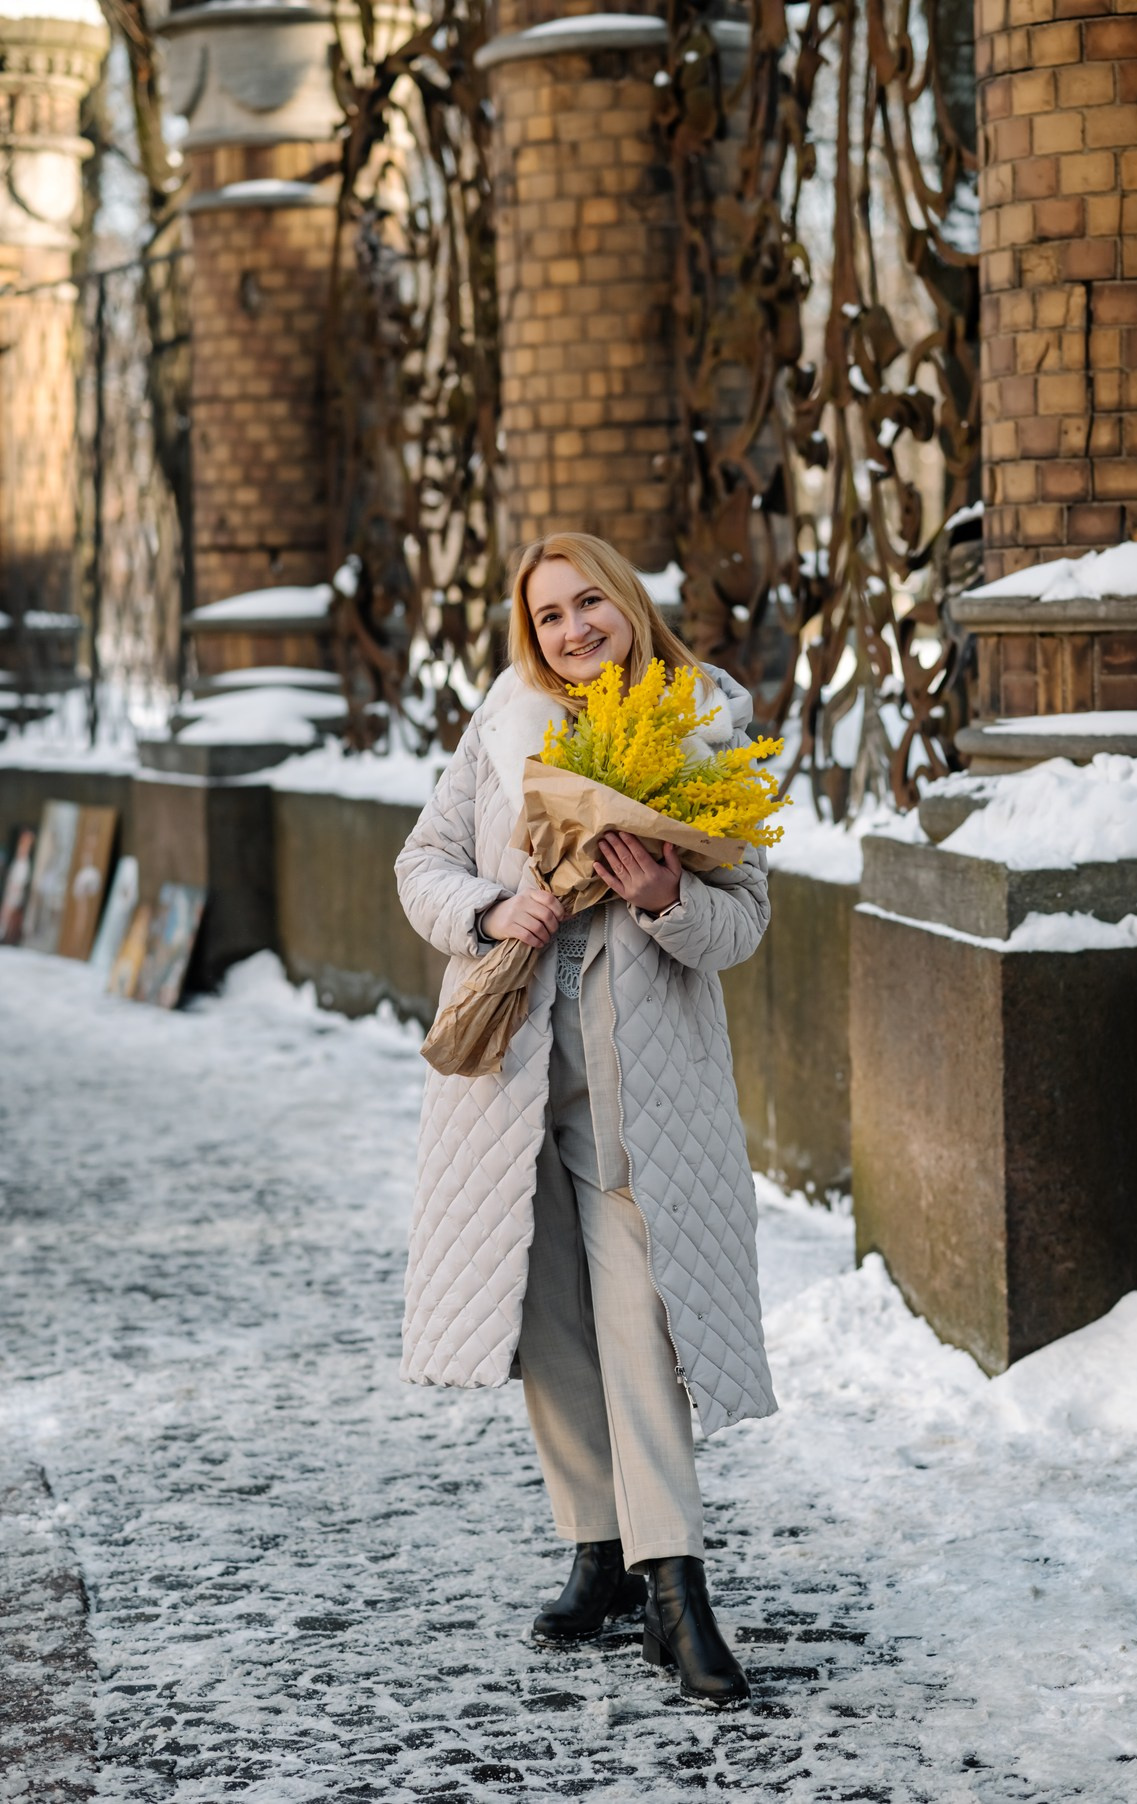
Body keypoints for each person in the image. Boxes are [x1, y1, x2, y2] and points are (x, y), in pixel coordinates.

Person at [394, 532, 777, 1710]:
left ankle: (679, 1587)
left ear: (626, 600)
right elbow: (422, 863)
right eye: (548, 615)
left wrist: (666, 899)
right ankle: (598, 1548)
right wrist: (489, 907)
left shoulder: (707, 720)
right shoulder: (503, 723)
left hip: (640, 1090)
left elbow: (746, 918)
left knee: (643, 1331)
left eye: (587, 603)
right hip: (509, 1084)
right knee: (549, 1325)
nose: (571, 629)